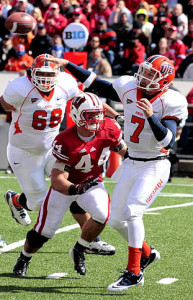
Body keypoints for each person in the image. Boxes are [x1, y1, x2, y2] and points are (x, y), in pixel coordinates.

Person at [43, 54, 188, 291]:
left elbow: (168, 140)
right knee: (115, 220)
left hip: (155, 163)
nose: (145, 76)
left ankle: (134, 272)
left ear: (164, 80)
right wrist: (68, 65)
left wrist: (151, 116)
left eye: (152, 74)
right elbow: (96, 83)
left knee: (132, 212)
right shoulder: (129, 86)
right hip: (131, 162)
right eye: (145, 70)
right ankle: (147, 253)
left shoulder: (172, 100)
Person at [0, 53, 118, 255]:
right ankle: (16, 200)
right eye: (41, 74)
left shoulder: (65, 82)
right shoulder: (19, 87)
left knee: (73, 187)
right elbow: (3, 105)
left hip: (53, 148)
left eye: (50, 74)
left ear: (57, 73)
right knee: (37, 203)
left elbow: (89, 102)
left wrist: (115, 115)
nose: (46, 79)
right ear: (32, 73)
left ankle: (92, 239)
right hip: (24, 151)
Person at [12, 92, 127, 276]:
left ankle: (79, 249)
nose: (95, 119)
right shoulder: (65, 140)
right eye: (89, 115)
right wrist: (74, 189)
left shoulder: (110, 128)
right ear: (76, 115)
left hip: (92, 182)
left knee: (102, 214)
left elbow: (123, 151)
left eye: (97, 114)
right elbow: (57, 180)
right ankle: (24, 258)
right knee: (44, 231)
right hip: (68, 185)